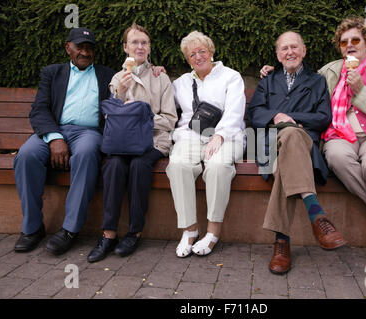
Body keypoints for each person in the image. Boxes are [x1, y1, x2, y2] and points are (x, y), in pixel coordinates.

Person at [260, 17, 366, 264]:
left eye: (355, 40)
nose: (350, 45)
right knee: (335, 156)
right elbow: (296, 73)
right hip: (340, 136)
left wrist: (361, 91)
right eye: (344, 42)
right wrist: (275, 71)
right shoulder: (331, 71)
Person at [248, 31, 347, 275]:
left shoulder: (317, 81)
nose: (289, 52)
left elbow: (324, 118)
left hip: (303, 145)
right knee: (290, 138)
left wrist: (292, 119)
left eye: (294, 47)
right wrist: (276, 117)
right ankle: (317, 214)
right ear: (278, 55)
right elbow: (254, 113)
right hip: (271, 144)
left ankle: (282, 242)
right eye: (284, 49)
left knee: (293, 138)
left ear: (304, 51)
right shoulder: (268, 80)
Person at [13, 27, 115, 255]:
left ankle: (70, 229)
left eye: (89, 48)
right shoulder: (53, 73)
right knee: (26, 156)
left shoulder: (107, 75)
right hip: (53, 130)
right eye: (80, 47)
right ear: (68, 48)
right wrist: (55, 138)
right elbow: (39, 109)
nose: (85, 53)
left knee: (87, 153)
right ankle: (32, 228)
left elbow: (133, 83)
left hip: (88, 133)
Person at [87, 23, 177, 262]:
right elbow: (110, 116)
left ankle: (135, 232)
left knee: (139, 166)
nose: (140, 46)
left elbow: (169, 120)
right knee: (114, 166)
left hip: (153, 141)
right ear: (126, 47)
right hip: (121, 142)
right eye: (134, 42)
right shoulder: (118, 78)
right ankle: (108, 233)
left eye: (144, 42)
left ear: (149, 48)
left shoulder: (161, 77)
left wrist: (141, 115)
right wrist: (119, 94)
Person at [166, 31, 246, 257]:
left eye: (202, 51)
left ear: (211, 52)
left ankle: (212, 232)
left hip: (226, 135)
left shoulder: (231, 76)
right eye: (192, 54)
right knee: (178, 165)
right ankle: (189, 230)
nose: (198, 57)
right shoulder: (181, 83)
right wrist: (157, 74)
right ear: (187, 59)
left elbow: (235, 112)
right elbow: (162, 99)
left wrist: (219, 136)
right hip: (190, 136)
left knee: (218, 166)